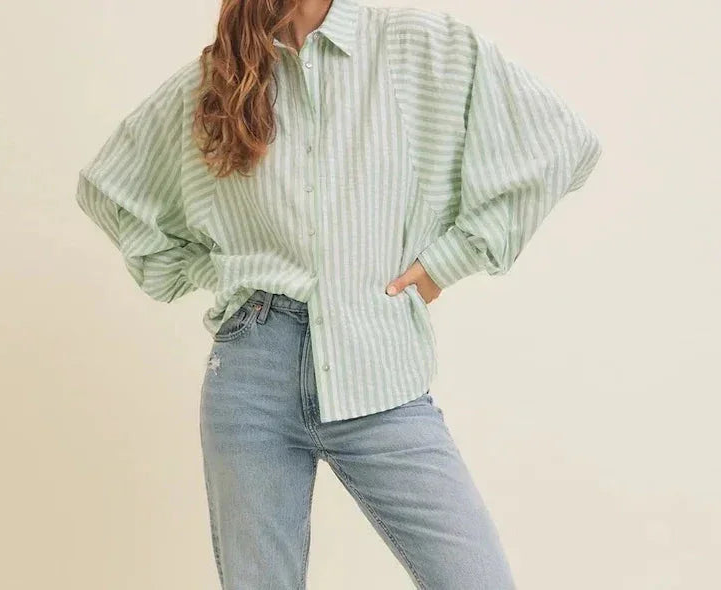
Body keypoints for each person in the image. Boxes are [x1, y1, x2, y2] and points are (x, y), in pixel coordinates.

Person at [75, 0, 602, 587]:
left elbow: (558, 142)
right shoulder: (221, 76)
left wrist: (445, 263)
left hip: (378, 368)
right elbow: (110, 189)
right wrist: (219, 272)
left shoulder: (413, 46)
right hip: (251, 374)